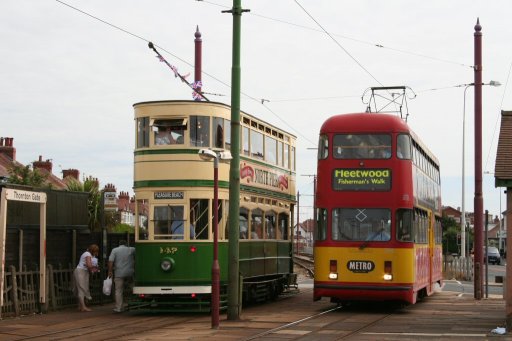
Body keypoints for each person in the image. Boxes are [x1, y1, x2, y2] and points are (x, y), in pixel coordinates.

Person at [108, 240, 135, 313]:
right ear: (126, 244)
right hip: (130, 272)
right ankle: (135, 302)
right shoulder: (131, 249)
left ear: (119, 244)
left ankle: (118, 308)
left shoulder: (115, 250)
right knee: (133, 287)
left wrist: (110, 271)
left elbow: (111, 261)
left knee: (118, 290)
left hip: (119, 273)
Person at [74, 244, 99, 312]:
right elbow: (89, 265)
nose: (96, 253)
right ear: (93, 250)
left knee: (82, 288)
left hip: (83, 272)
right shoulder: (87, 254)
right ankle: (83, 307)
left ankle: (80, 306)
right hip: (81, 271)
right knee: (82, 288)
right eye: (96, 251)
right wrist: (95, 268)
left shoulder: (88, 254)